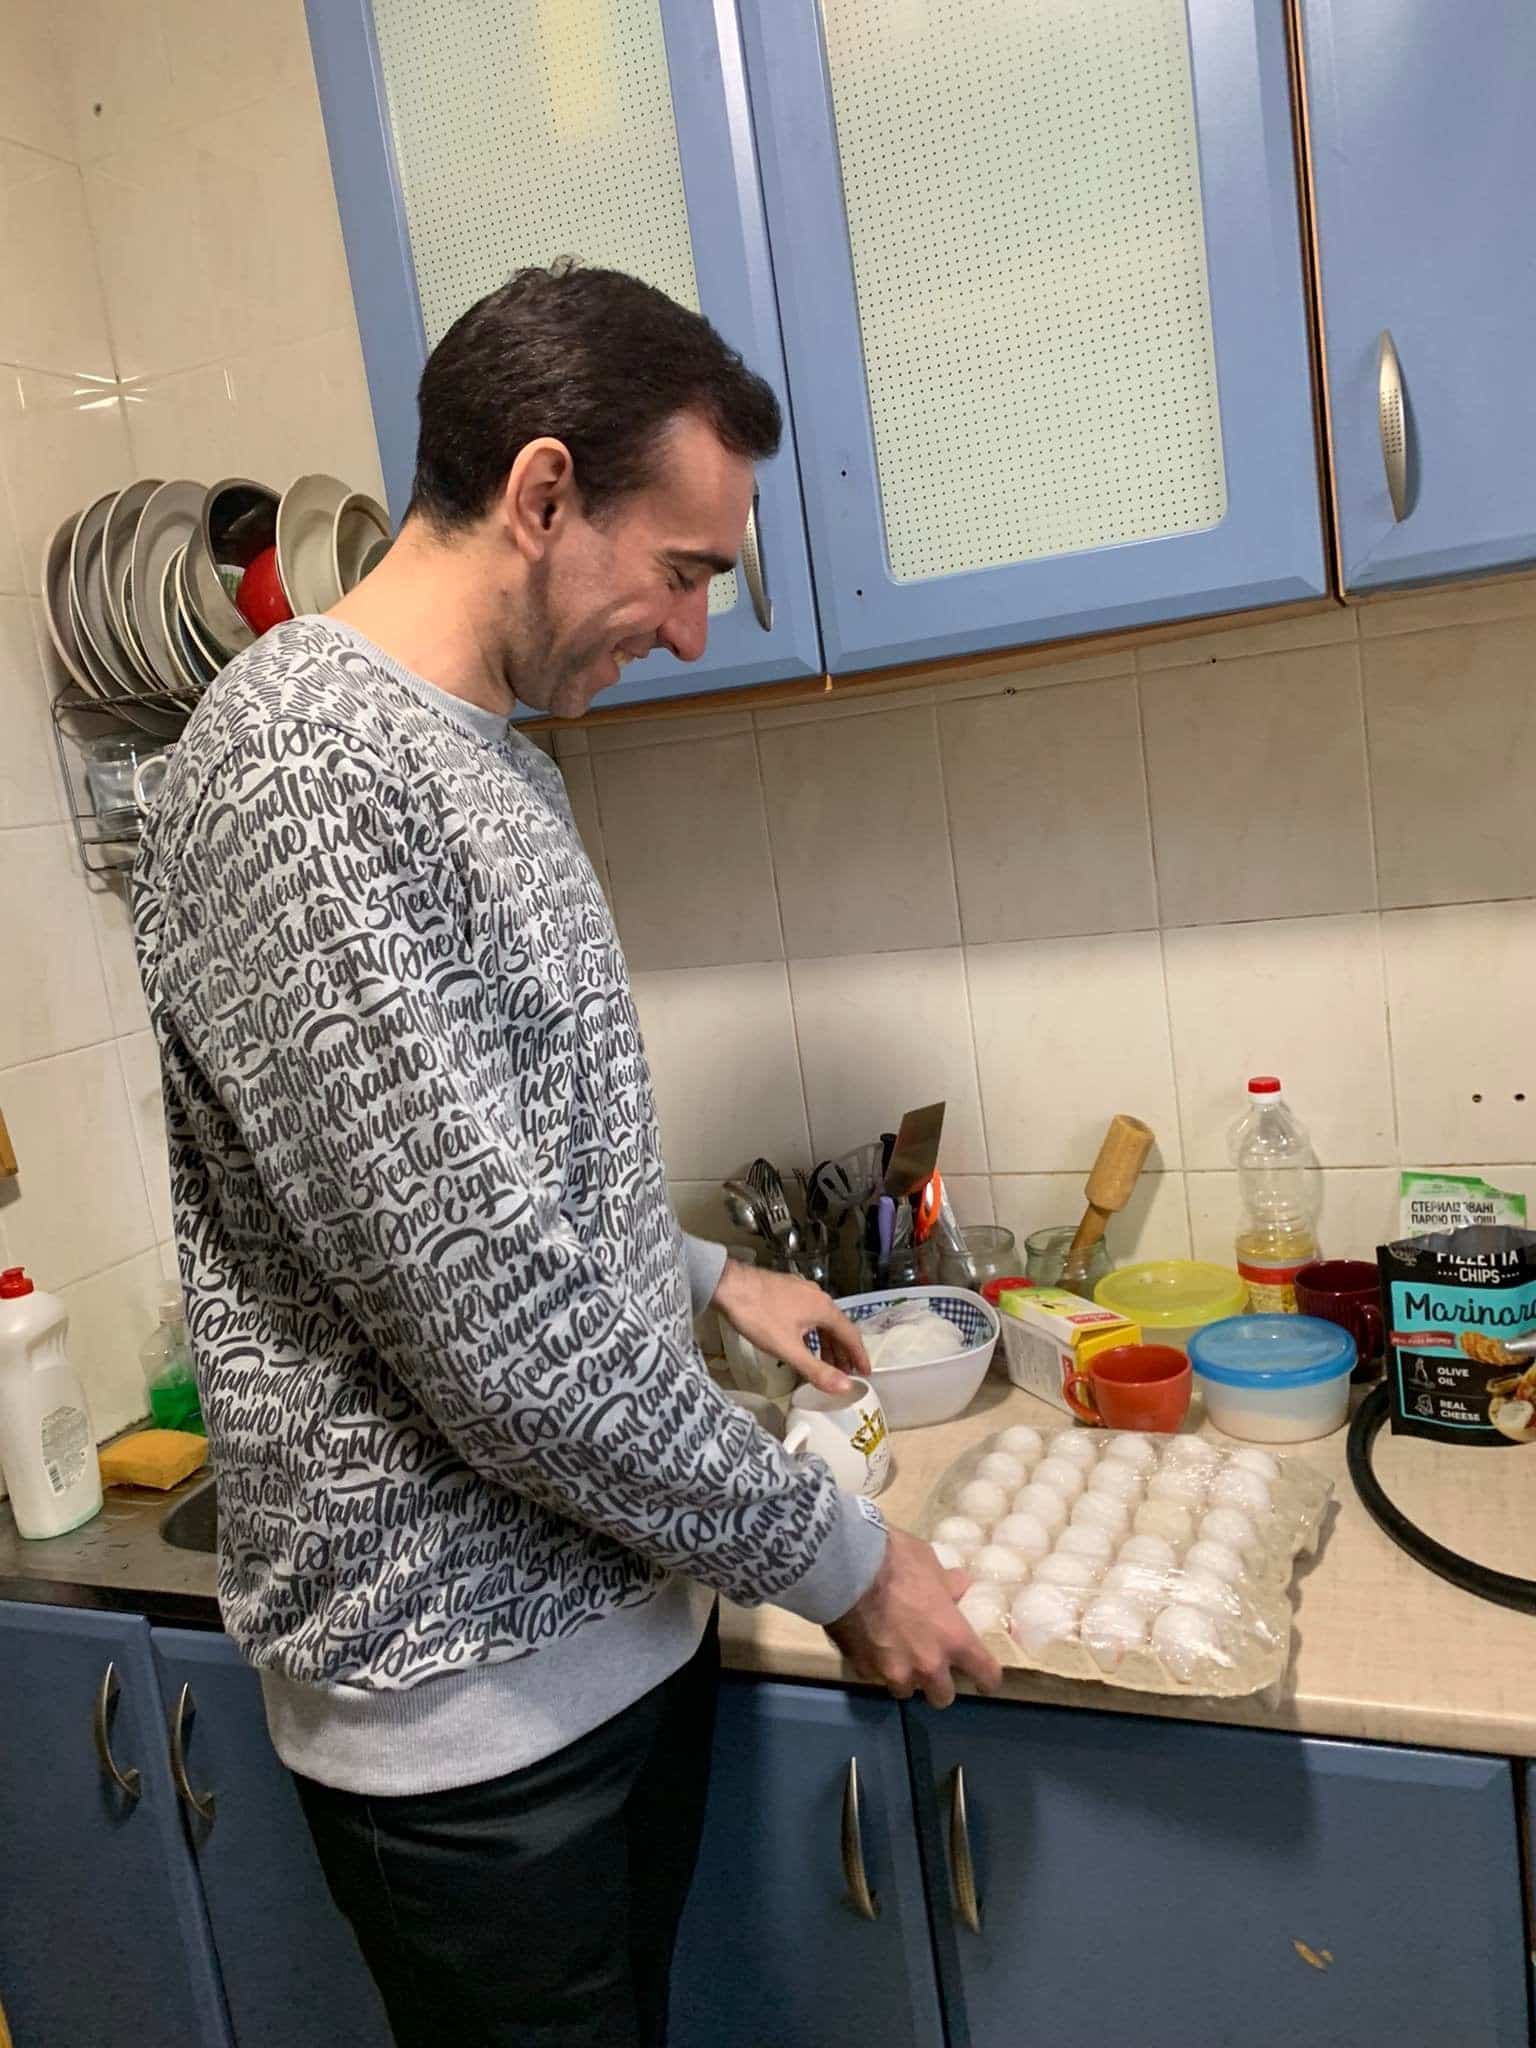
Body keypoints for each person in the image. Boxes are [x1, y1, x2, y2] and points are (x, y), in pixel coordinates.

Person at [133, 264, 998, 2048]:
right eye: (680, 570)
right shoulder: (299, 774)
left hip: (611, 1642)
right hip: (470, 1725)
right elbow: (500, 1339)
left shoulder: (491, 763)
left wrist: (705, 1273)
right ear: (541, 493)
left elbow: (486, 1187)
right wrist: (846, 1562)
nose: (689, 631)